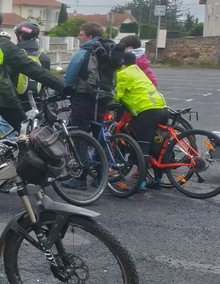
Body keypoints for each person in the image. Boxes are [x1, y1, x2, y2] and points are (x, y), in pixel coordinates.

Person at [114, 50, 167, 189]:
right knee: (157, 147)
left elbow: (116, 95)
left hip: (148, 111)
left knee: (143, 147)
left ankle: (140, 184)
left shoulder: (123, 74)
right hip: (161, 107)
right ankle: (157, 180)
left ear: (121, 63)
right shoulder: (137, 70)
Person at [63, 21, 120, 130]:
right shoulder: (107, 52)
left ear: (90, 37)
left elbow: (68, 78)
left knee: (78, 134)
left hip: (83, 100)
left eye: (81, 35)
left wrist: (57, 91)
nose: (78, 37)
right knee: (99, 133)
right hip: (103, 99)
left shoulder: (82, 53)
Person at [13, 21, 51, 109]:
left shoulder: (14, 54)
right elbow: (46, 82)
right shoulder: (44, 57)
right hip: (37, 103)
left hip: (17, 103)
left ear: (20, 36)